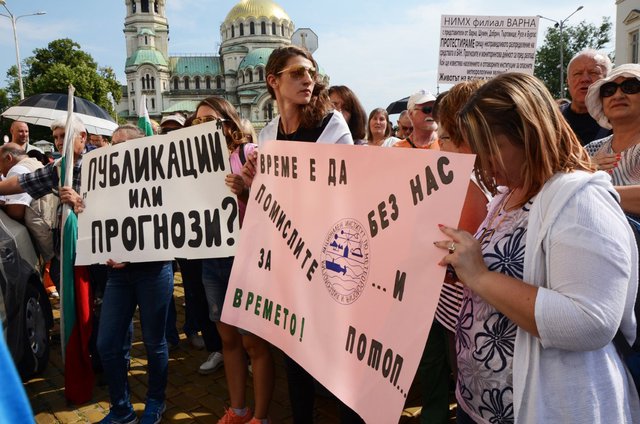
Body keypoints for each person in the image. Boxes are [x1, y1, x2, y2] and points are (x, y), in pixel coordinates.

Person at [435, 72, 639, 423]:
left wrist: (480, 277)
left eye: (489, 146)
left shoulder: (580, 201)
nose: (480, 162)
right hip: (481, 405)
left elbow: (590, 321)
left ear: (527, 133)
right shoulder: (509, 194)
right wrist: (464, 267)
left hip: (544, 408)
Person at [253, 45, 360, 424]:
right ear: (274, 81)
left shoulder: (331, 126)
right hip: (290, 263)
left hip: (330, 262)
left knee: (339, 361)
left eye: (311, 73)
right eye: (298, 73)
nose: (308, 79)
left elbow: (341, 190)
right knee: (295, 356)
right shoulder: (267, 134)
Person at [406, 82, 489, 424]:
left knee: (465, 384)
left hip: (468, 314)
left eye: (451, 138)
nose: (444, 147)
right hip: (443, 303)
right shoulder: (454, 174)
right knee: (443, 373)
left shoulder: (479, 183)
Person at [193, 96, 273, 424]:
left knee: (253, 341)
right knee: (228, 339)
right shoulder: (191, 163)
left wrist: (244, 190)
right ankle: (238, 410)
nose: (203, 127)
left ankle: (262, 416)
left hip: (248, 259)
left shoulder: (248, 155)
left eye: (210, 119)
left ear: (228, 122)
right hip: (213, 259)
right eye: (196, 121)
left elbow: (275, 203)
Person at [95, 124, 172, 424]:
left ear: (142, 146)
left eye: (123, 143)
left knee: (154, 342)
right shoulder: (101, 179)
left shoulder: (163, 176)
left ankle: (155, 401)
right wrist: (77, 202)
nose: (116, 149)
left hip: (153, 270)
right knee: (107, 343)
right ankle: (121, 408)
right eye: (112, 144)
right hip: (118, 275)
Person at [584, 63, 640, 216]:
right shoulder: (589, 151)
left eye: (630, 87)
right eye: (608, 90)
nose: (617, 95)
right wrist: (581, 170)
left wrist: (587, 188)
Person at [560, 49, 612, 145]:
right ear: (568, 81)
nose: (584, 79)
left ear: (608, 81)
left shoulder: (619, 123)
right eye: (577, 74)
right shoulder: (550, 119)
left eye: (593, 73)